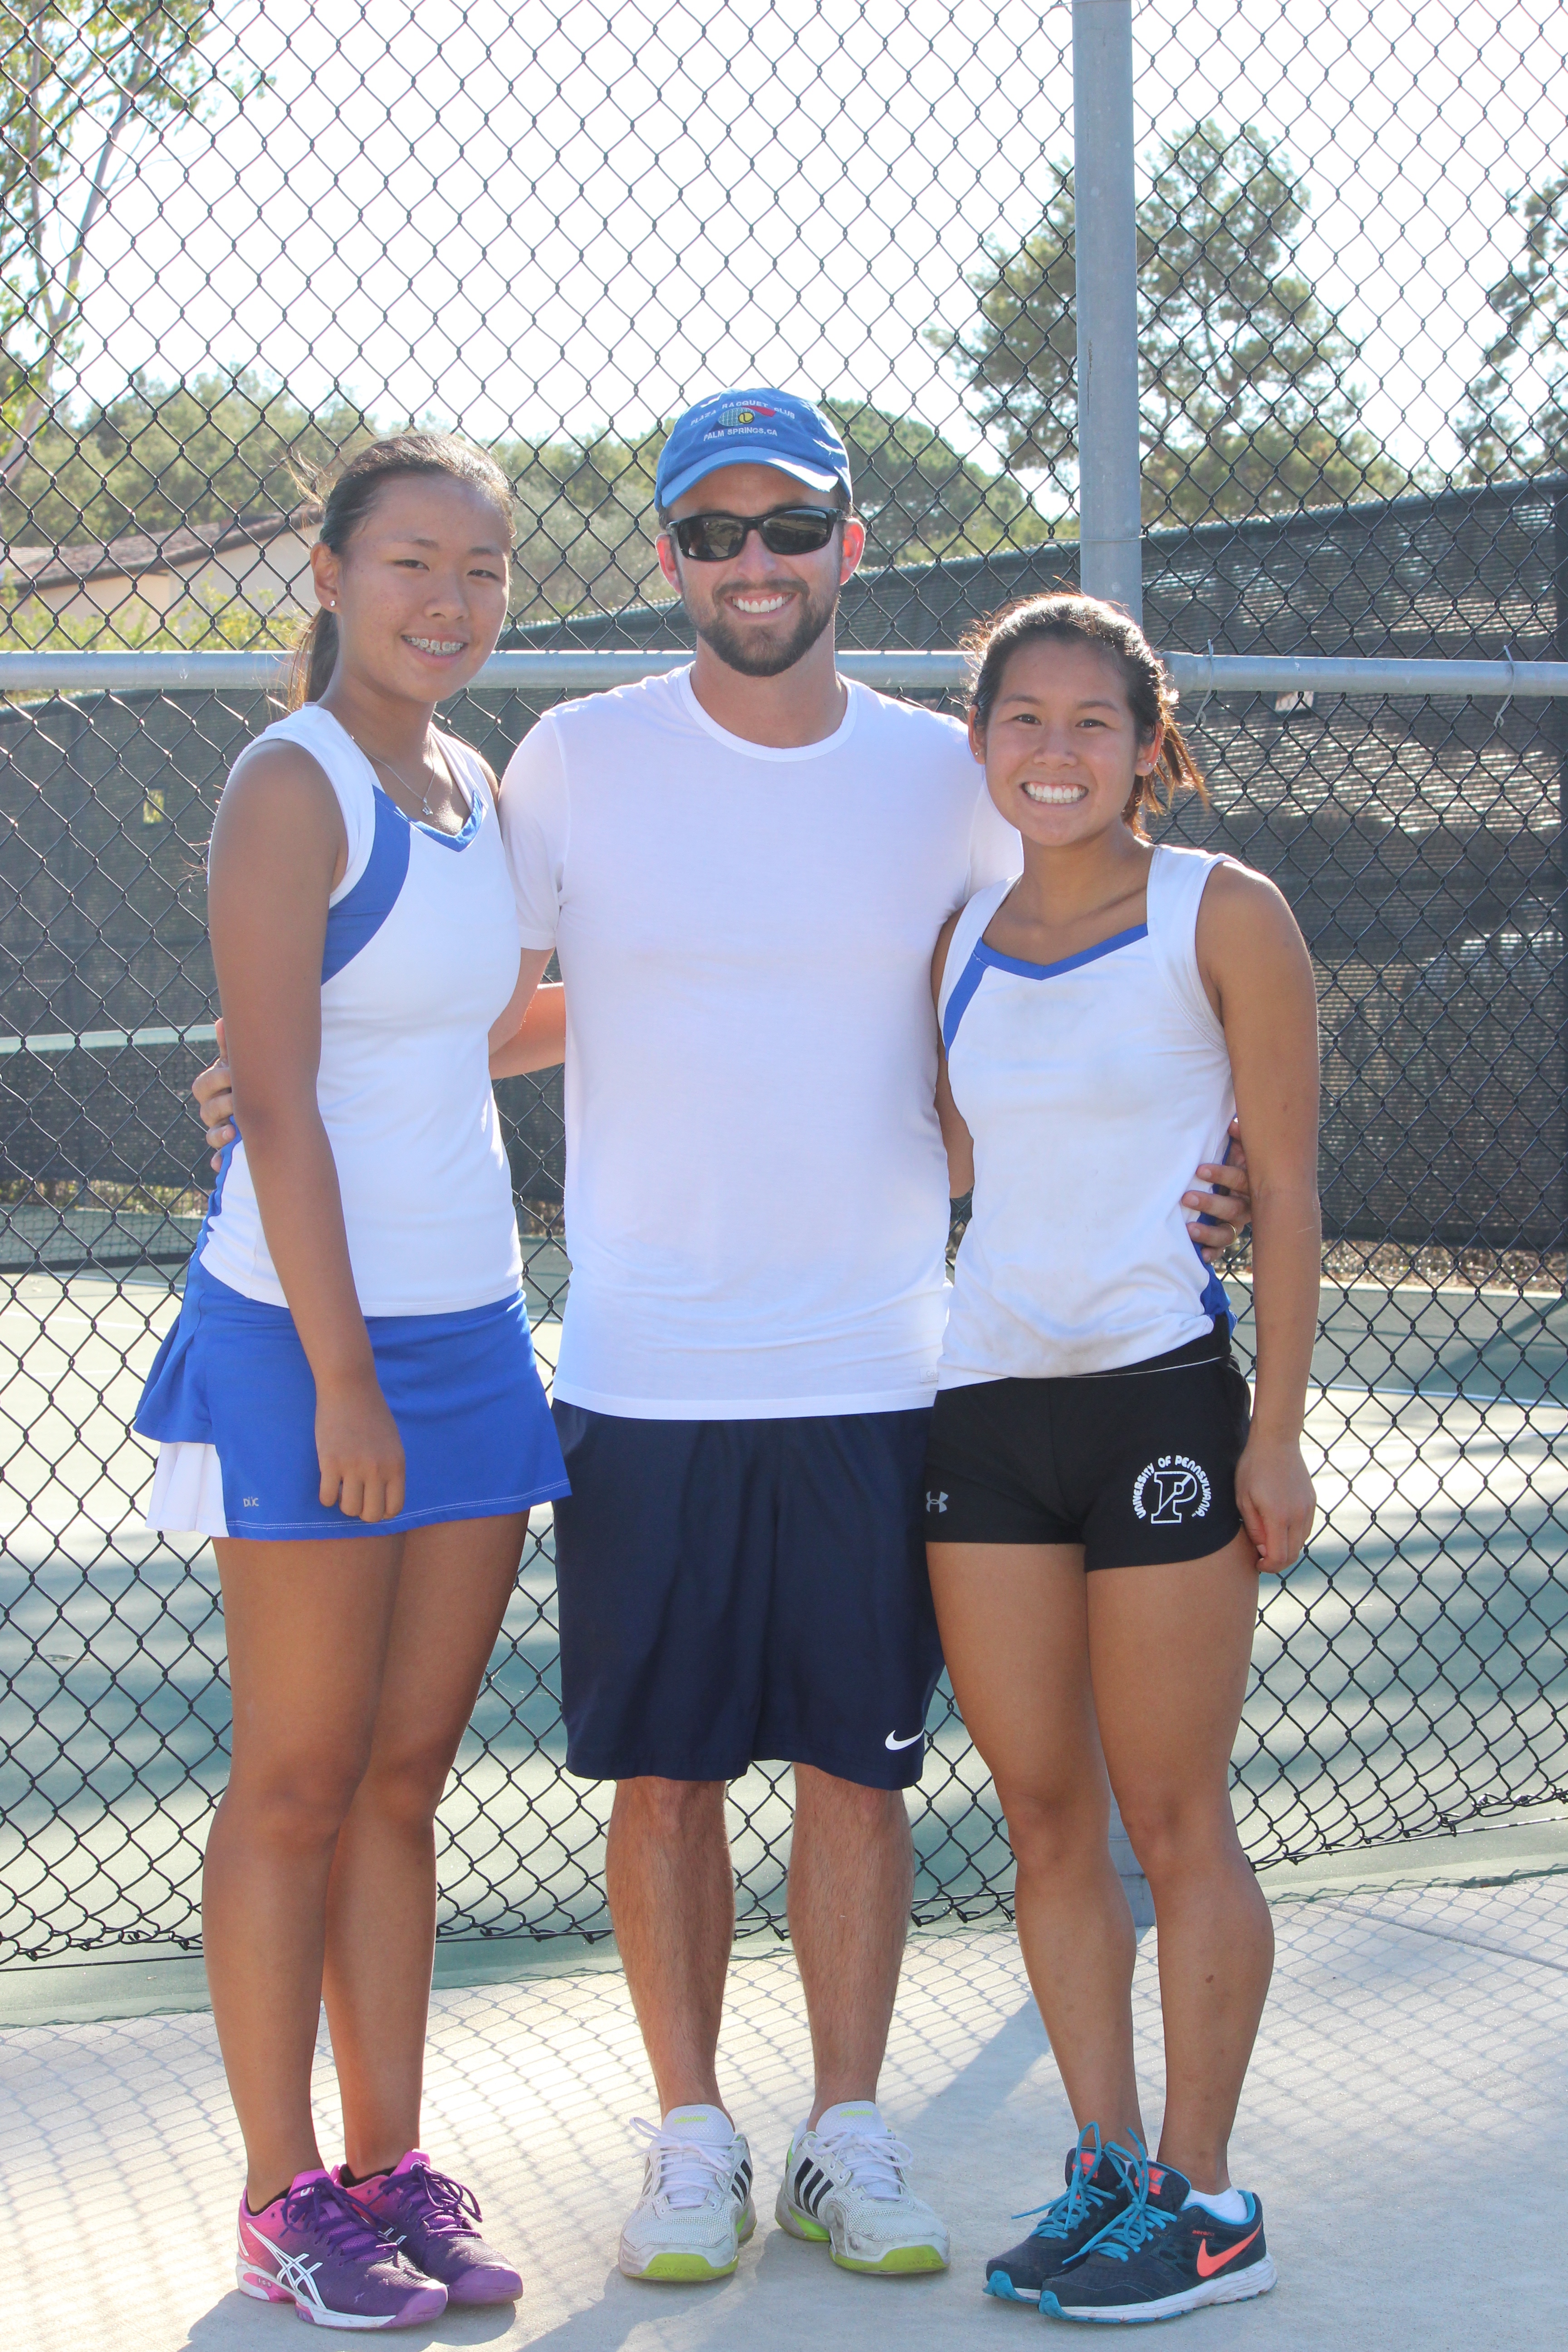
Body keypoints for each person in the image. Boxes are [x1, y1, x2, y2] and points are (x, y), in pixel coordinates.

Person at [195, 390, 1253, 2291]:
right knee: (664, 1780)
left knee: (860, 1781)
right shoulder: (570, 766)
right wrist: (294, 1062)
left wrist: (1206, 1163)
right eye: (713, 531)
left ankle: (848, 2135)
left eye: (793, 526)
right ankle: (690, 2137)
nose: (754, 561)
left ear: (854, 546)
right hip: (634, 1367)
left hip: (884, 1362)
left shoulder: (955, 770)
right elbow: (494, 993)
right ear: (671, 557)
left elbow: (1076, 973)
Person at [137, 434, 570, 2329]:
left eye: (484, 570)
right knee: (300, 1780)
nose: (451, 600)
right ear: (328, 572)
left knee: (405, 1779)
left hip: (475, 1331)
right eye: (414, 561)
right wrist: (341, 1378)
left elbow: (482, 1038)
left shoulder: (471, 782)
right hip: (309, 1338)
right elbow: (283, 1103)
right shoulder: (285, 790)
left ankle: (387, 2174)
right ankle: (274, 2197)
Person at [923, 592, 1319, 2324]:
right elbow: (953, 1159)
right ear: (982, 738)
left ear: (1151, 744)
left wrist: (1280, 1433)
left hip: (1165, 1401)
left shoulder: (1223, 912)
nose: (1057, 751)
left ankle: (1208, 2201)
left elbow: (1290, 1195)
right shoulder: (955, 934)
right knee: (1045, 1810)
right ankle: (1105, 2171)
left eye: (1095, 722)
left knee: (1174, 1812)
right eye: (1025, 720)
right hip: (986, 1415)